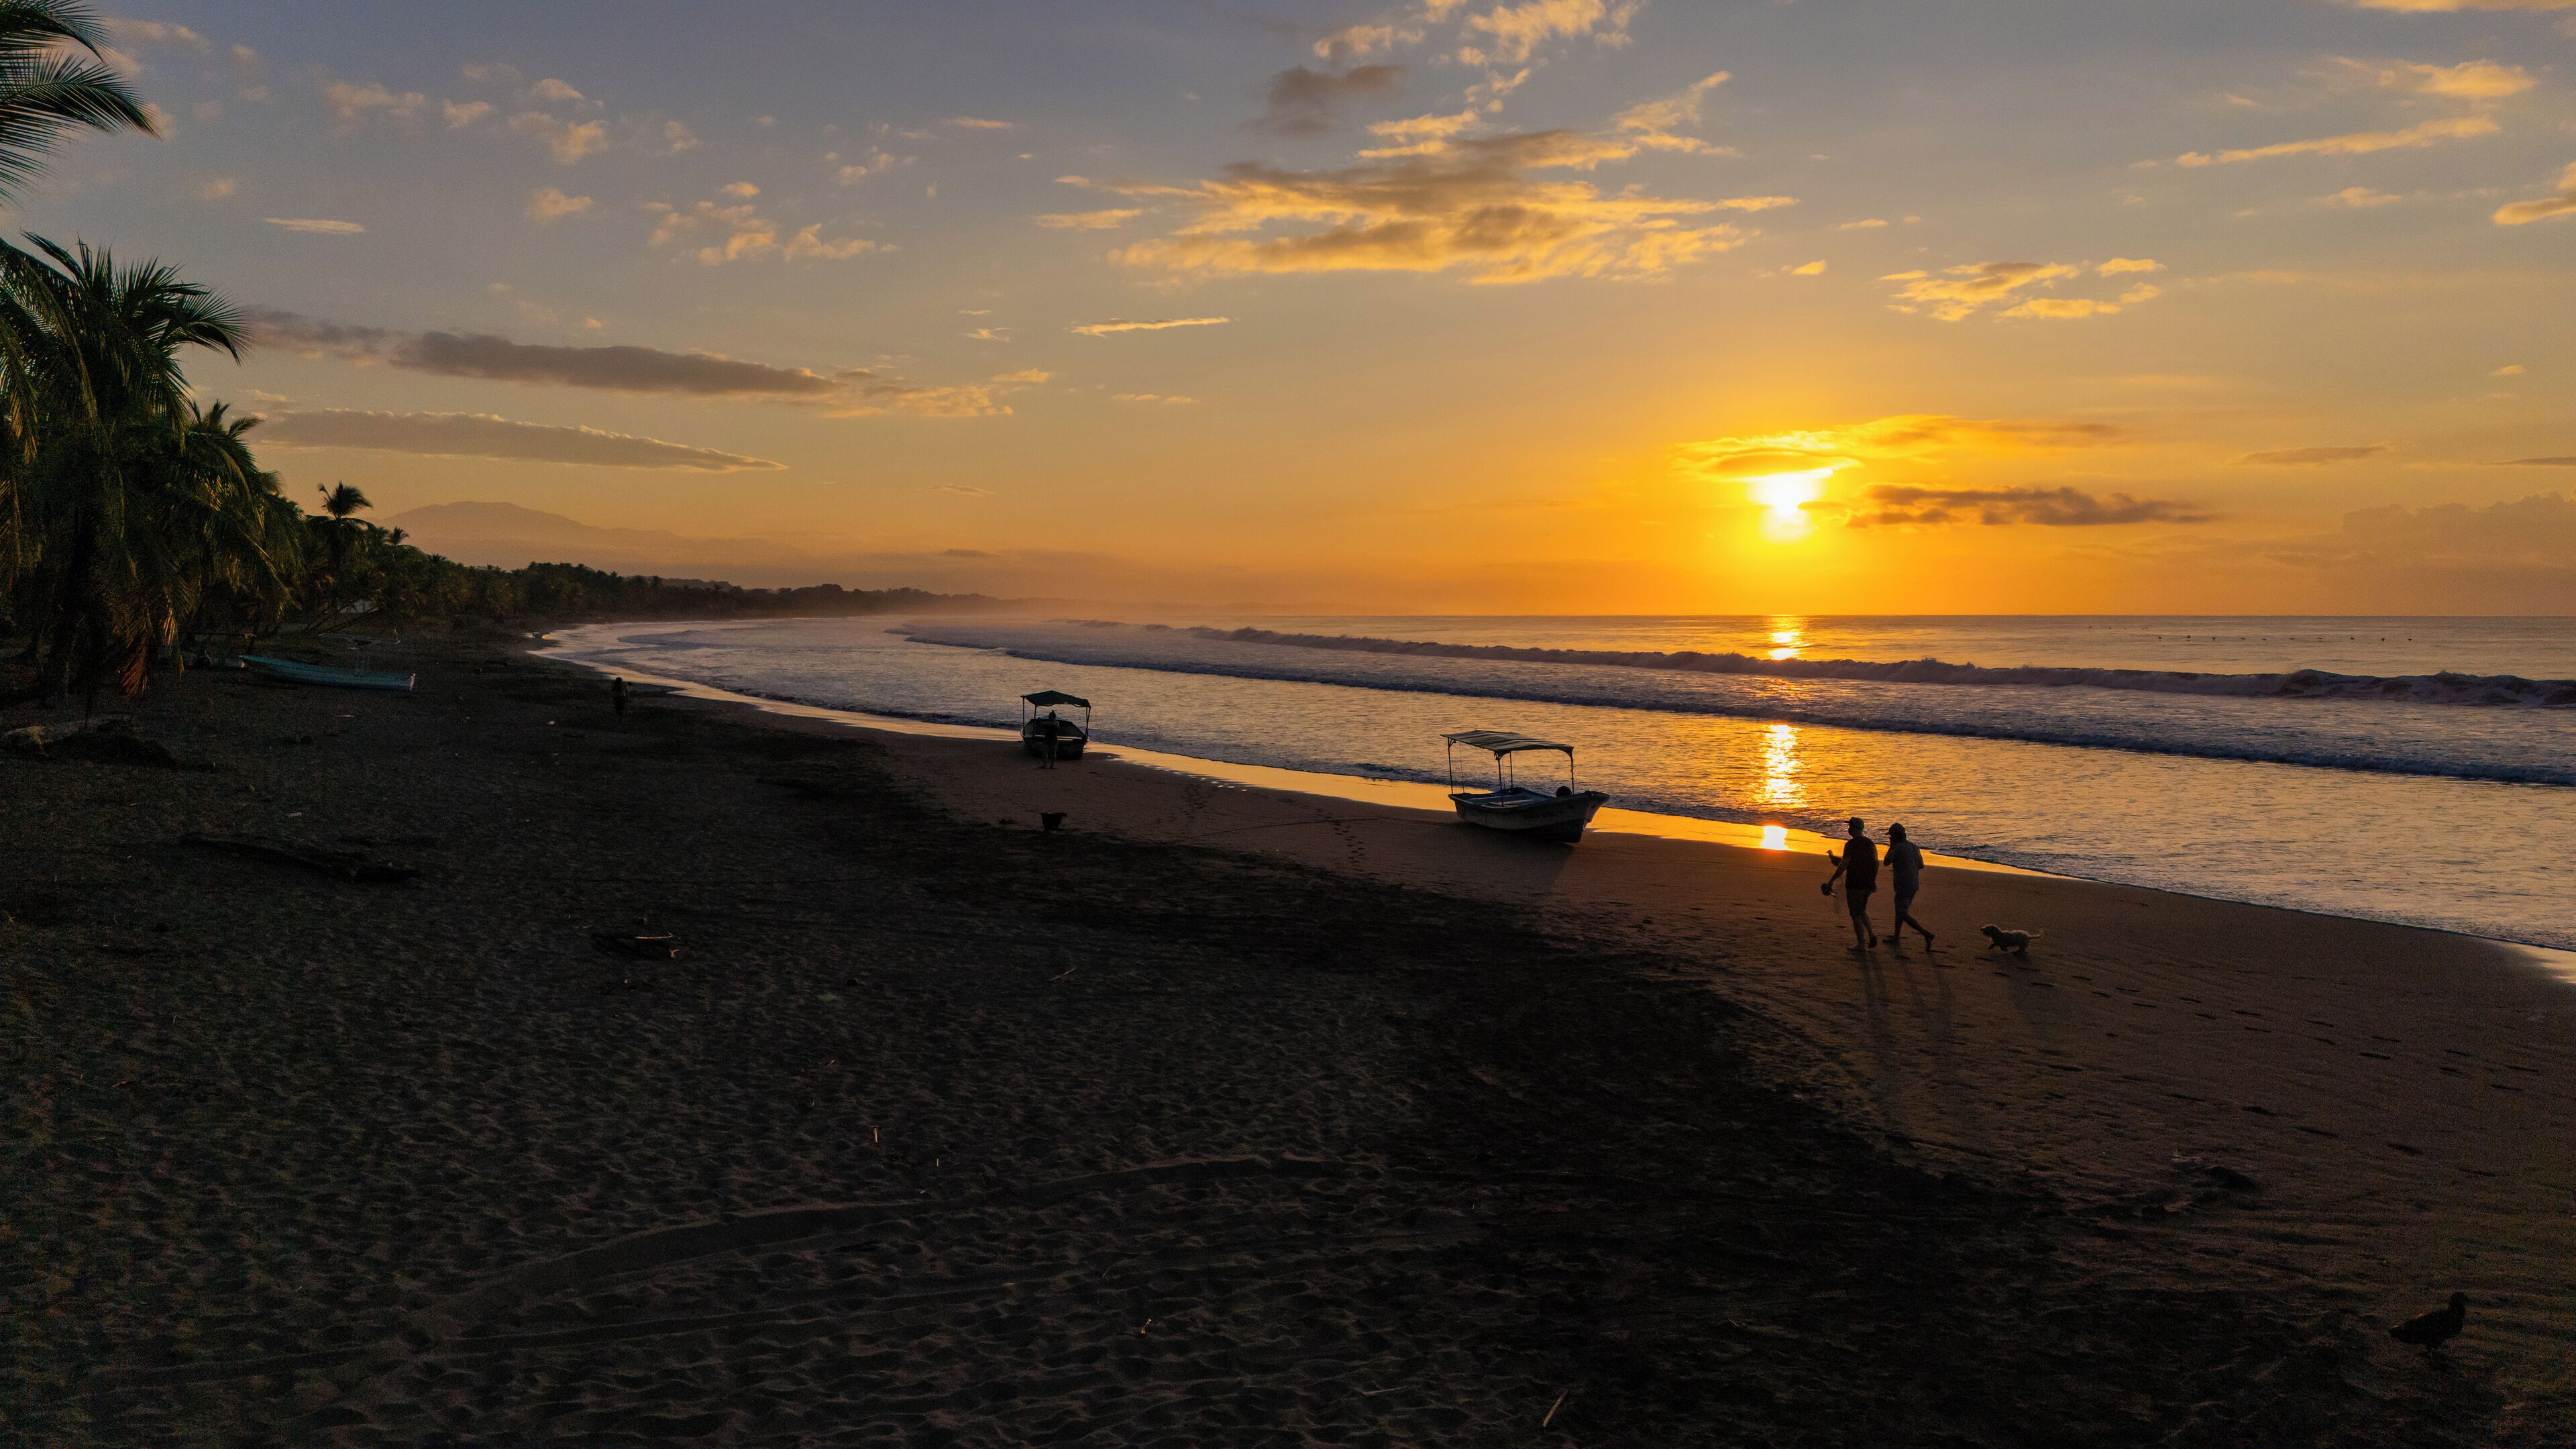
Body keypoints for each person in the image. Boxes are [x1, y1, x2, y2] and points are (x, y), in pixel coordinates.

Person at [1820, 816, 1879, 949]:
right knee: (1862, 910)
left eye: (1850, 826)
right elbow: (1876, 864)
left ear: (1854, 828)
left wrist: (1831, 881)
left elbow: (1843, 866)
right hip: (1868, 883)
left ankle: (1861, 944)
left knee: (1855, 914)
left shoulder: (1851, 845)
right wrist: (1873, 881)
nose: (1848, 829)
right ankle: (1871, 934)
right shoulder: (1870, 843)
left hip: (1855, 883)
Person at [1884, 822, 1933, 949]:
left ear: (1894, 837)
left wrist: (1891, 847)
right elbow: (1921, 865)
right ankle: (1896, 937)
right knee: (1900, 911)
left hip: (1903, 884)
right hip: (1913, 883)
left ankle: (1926, 934)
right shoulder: (1914, 847)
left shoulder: (1898, 847)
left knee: (1902, 913)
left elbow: (1886, 862)